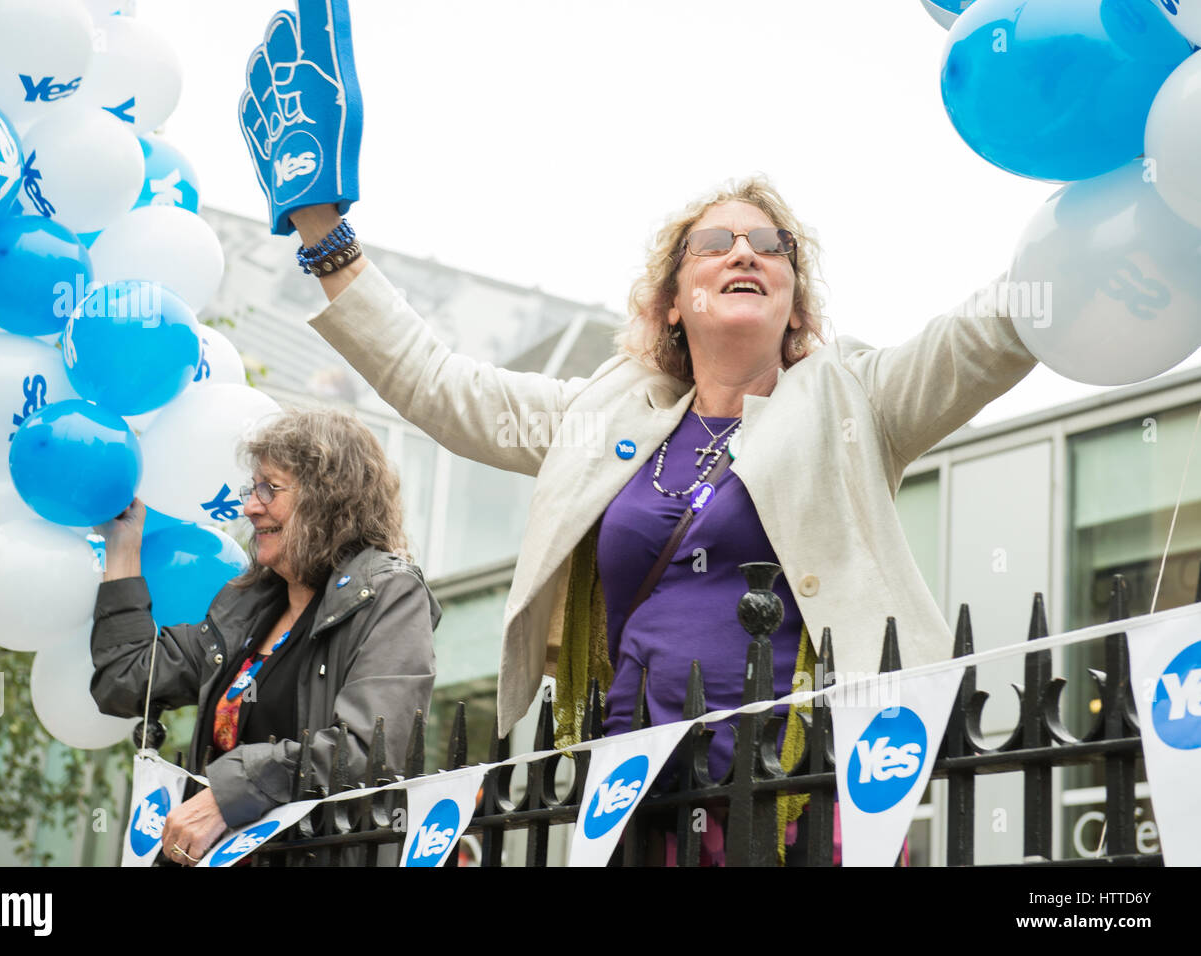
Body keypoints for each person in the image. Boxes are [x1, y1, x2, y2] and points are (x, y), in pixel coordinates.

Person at [239, 1, 1038, 863]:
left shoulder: (855, 403)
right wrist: (323, 228)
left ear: (795, 301)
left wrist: (1084, 221)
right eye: (715, 244)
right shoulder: (608, 412)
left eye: (769, 245)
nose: (744, 252)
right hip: (629, 796)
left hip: (797, 798)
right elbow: (441, 386)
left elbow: (985, 336)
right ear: (670, 301)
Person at [90, 407, 440, 866]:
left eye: (268, 489)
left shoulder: (390, 594)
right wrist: (122, 545)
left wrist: (226, 793)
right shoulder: (245, 606)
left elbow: (367, 752)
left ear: (328, 497)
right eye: (250, 490)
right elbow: (125, 681)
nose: (250, 506)